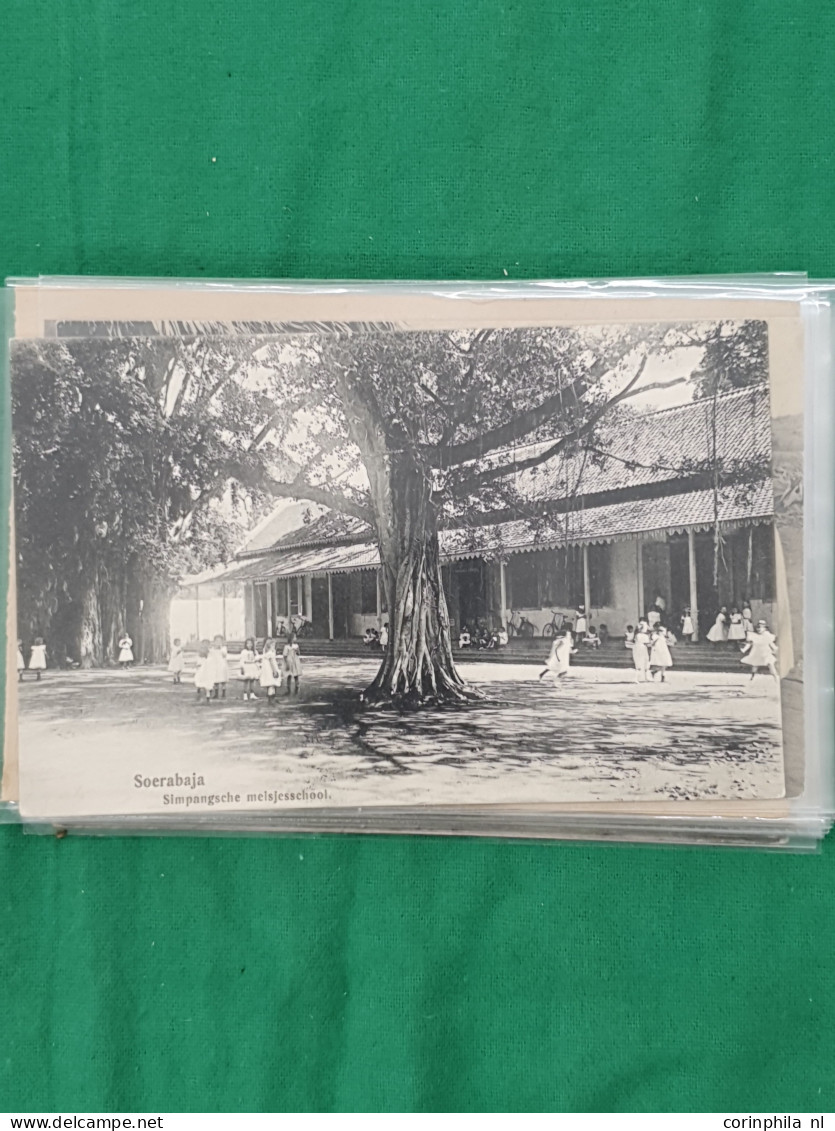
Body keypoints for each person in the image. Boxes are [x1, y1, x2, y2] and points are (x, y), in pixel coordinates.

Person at [205, 634, 228, 699]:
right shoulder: (212, 649)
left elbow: (224, 655)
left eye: (220, 641)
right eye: (216, 641)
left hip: (222, 664)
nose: (218, 642)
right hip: (215, 665)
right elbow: (209, 656)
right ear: (214, 641)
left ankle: (223, 693)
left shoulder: (223, 648)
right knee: (216, 680)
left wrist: (220, 649)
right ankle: (216, 693)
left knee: (223, 680)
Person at [259, 639, 281, 704]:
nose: (274, 647)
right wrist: (274, 671)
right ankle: (271, 700)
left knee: (270, 685)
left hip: (267, 671)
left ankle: (271, 699)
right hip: (270, 670)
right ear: (270, 646)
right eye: (273, 645)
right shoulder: (270, 653)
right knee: (272, 684)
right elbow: (271, 663)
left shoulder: (266, 653)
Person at [193, 639, 214, 705]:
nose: (205, 645)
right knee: (200, 683)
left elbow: (212, 661)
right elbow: (198, 662)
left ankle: (208, 698)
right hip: (201, 670)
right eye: (204, 644)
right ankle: (200, 697)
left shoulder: (211, 653)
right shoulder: (199, 654)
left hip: (208, 670)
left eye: (207, 644)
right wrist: (198, 665)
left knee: (208, 684)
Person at [239, 636, 260, 701]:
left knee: (252, 681)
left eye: (251, 643)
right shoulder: (244, 651)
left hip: (252, 666)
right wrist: (242, 667)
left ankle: (252, 694)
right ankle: (245, 694)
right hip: (246, 666)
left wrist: (257, 666)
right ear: (246, 644)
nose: (249, 645)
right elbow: (242, 660)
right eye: (248, 643)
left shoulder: (254, 651)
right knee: (246, 681)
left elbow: (257, 659)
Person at [283, 631, 303, 695]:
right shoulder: (287, 646)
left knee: (296, 675)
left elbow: (298, 653)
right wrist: (286, 663)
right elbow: (285, 655)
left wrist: (297, 651)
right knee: (289, 675)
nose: (296, 638)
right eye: (295, 637)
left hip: (295, 662)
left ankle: (297, 689)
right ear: (291, 638)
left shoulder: (296, 646)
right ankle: (288, 690)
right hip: (289, 662)